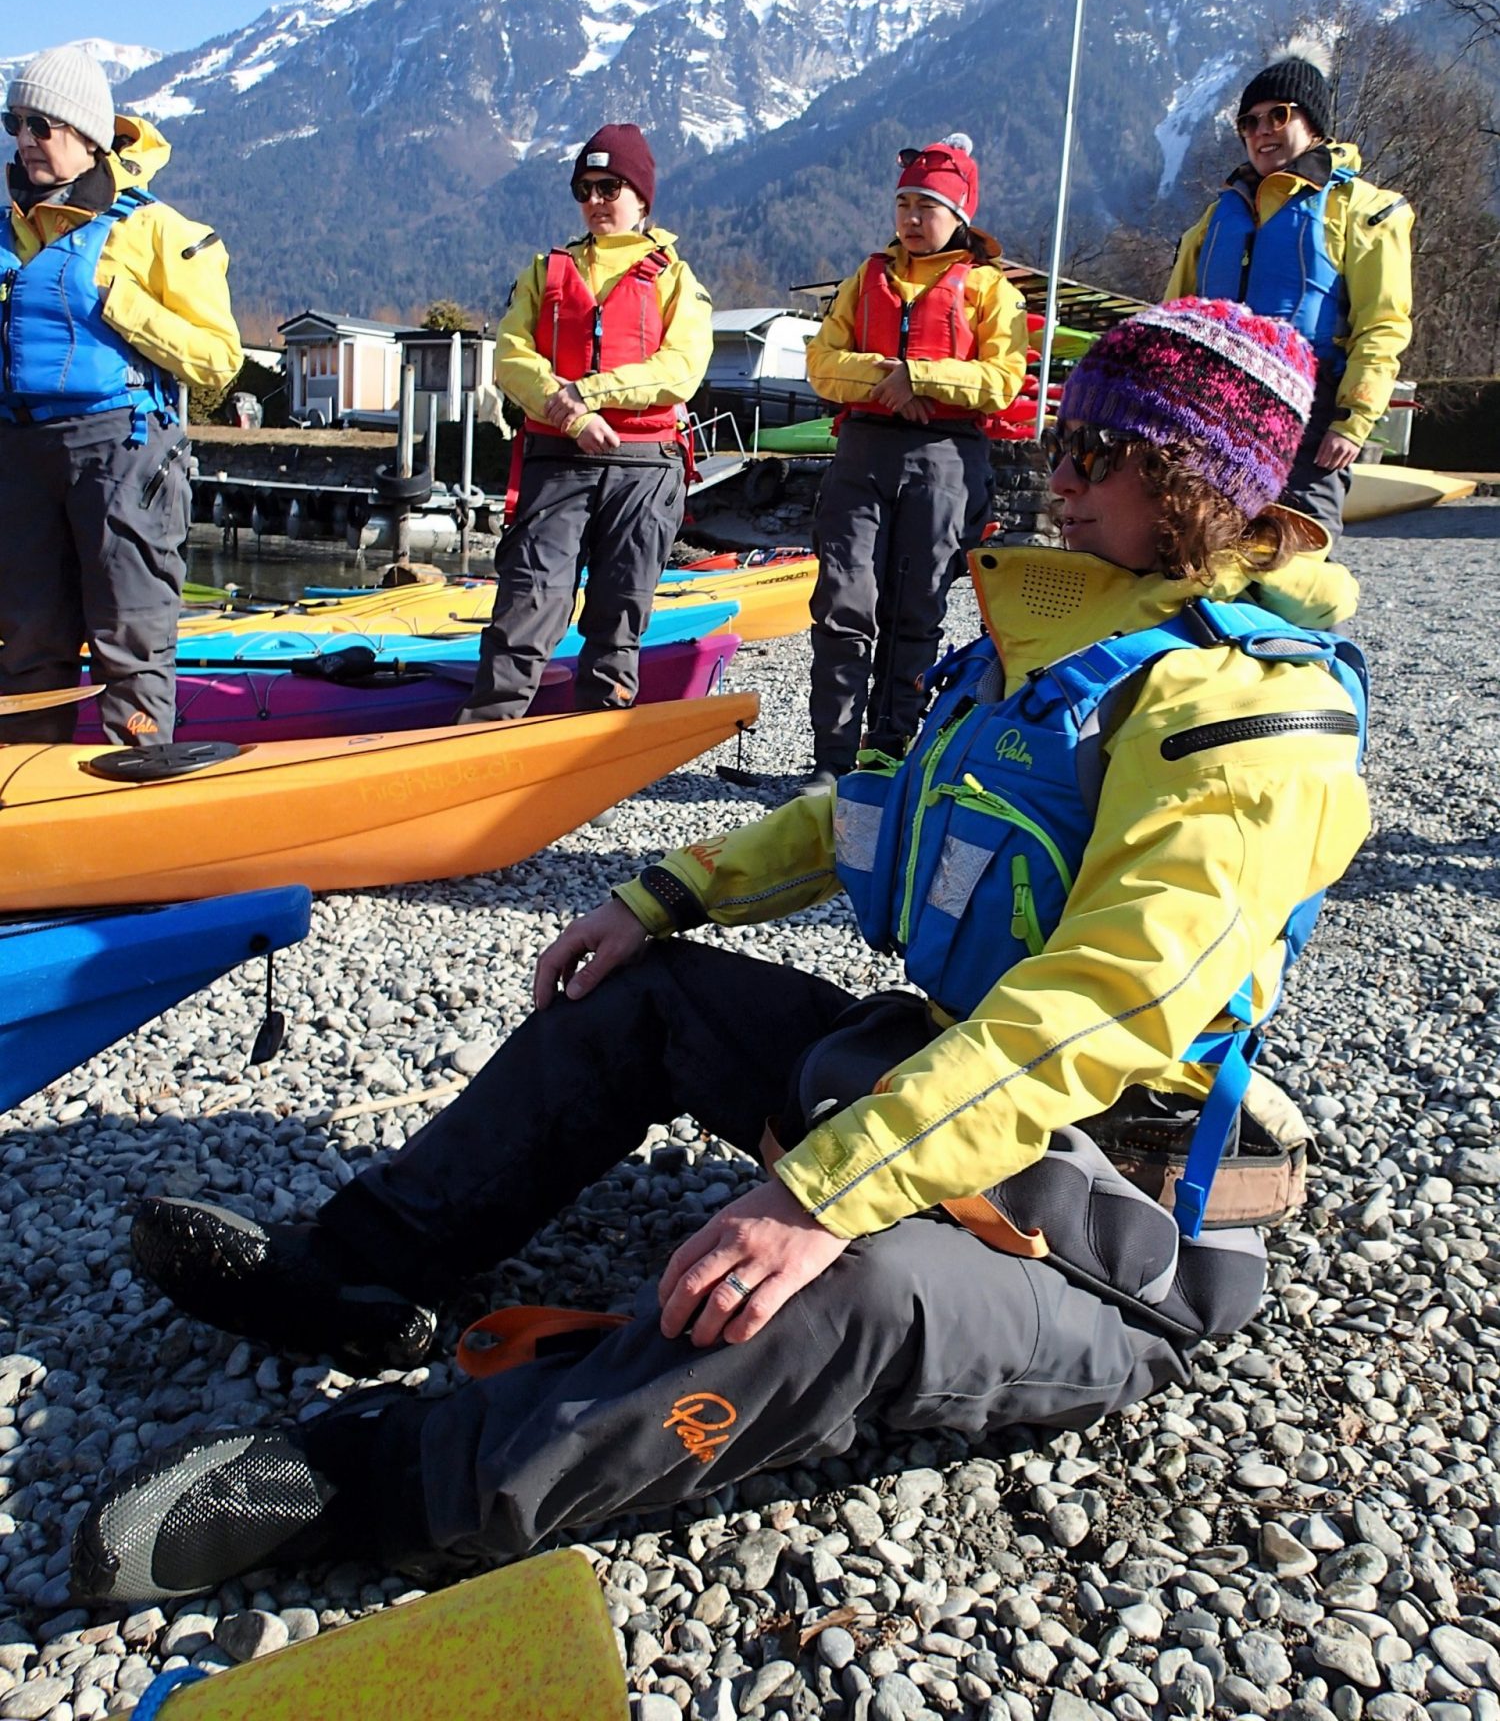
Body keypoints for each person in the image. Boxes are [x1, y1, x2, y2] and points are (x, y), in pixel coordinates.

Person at [74, 299, 1370, 1607]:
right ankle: (360, 1272)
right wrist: (665, 898)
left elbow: (1110, 1004)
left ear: (1193, 490)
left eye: (1104, 459)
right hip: (948, 1089)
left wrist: (822, 1192)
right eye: (1069, 446)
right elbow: (881, 806)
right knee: (646, 998)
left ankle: (383, 1481)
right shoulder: (1079, 647)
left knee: (844, 1296)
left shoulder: (1259, 720)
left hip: (1119, 1236)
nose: (1065, 479)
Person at [0, 48, 242, 744]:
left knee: (129, 634)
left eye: (40, 125)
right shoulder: (6, 233)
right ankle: (24, 790)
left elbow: (219, 359)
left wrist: (119, 302)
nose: (23, 139)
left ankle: (133, 779)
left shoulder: (157, 231)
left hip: (122, 454)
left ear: (86, 136)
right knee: (23, 641)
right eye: (14, 123)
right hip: (18, 454)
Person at [458, 125, 712, 720]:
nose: (596, 201)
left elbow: (682, 368)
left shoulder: (676, 277)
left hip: (645, 468)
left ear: (642, 197)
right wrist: (569, 413)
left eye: (610, 187)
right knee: (526, 605)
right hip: (558, 458)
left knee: (618, 614)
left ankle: (594, 750)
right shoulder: (545, 272)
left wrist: (590, 393)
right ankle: (485, 740)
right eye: (585, 189)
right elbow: (511, 357)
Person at [801, 134, 1029, 791]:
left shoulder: (989, 289)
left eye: (924, 204)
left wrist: (921, 378)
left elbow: (1003, 380)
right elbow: (822, 365)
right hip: (863, 454)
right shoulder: (864, 279)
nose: (909, 217)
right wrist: (887, 378)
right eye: (902, 202)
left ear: (958, 213)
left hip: (945, 460)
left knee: (916, 606)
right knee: (844, 600)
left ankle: (889, 748)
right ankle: (832, 756)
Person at [1166, 53, 1413, 537]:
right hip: (1213, 418)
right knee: (1201, 563)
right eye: (1248, 122)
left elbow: (1382, 324)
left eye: (1278, 115)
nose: (1262, 130)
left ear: (1313, 124)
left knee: (1296, 572)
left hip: (1310, 419)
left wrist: (1352, 420)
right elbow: (1173, 324)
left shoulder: (1366, 210)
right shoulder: (1214, 220)